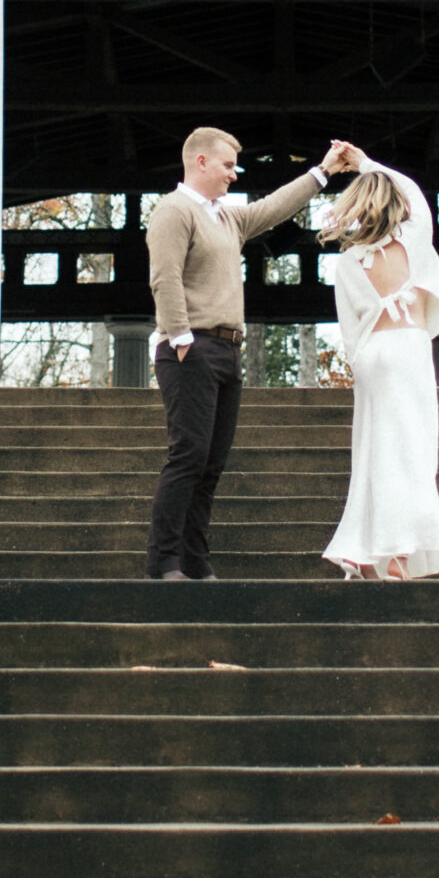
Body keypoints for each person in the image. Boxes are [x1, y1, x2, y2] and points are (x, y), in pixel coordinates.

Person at [144, 126, 355, 581]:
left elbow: (273, 207)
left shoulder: (226, 217)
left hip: (227, 351)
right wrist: (181, 339)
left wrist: (323, 172)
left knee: (211, 465)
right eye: (226, 166)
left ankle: (196, 563)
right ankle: (163, 562)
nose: (233, 176)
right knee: (188, 457)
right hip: (192, 349)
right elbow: (164, 279)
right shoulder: (174, 211)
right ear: (200, 162)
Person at [320, 152, 439, 581]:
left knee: (372, 452)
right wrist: (367, 162)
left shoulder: (349, 261)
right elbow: (414, 192)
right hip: (408, 350)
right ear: (396, 207)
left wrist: (360, 367)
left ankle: (366, 553)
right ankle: (397, 552)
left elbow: (349, 326)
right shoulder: (413, 242)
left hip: (372, 353)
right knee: (410, 452)